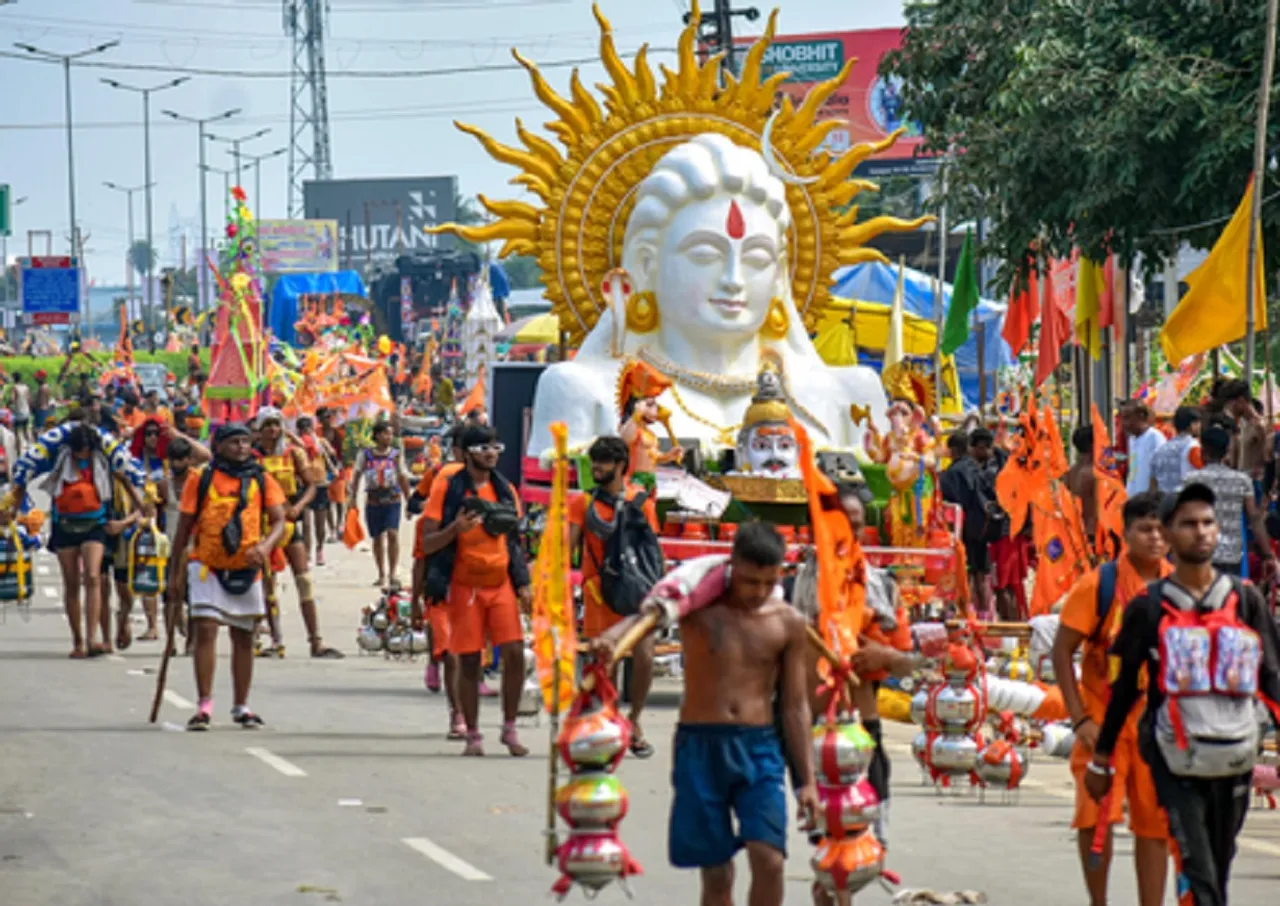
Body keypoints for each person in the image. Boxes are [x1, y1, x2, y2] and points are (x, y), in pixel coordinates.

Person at [591, 522, 818, 906]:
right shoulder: (697, 606)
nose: (757, 593)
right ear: (731, 567)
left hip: (759, 748)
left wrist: (807, 781)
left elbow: (795, 705)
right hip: (699, 744)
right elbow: (649, 617)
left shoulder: (788, 623)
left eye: (767, 582)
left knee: (770, 859)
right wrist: (612, 640)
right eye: (749, 581)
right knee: (716, 872)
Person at [1086, 483, 1280, 906]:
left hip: (1235, 753)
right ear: (1170, 536)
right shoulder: (1148, 608)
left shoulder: (1246, 601)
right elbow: (1123, 691)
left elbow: (1272, 678)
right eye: (1188, 524)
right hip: (1174, 758)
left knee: (1220, 857)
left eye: (1208, 523)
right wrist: (1102, 759)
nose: (1201, 532)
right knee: (1196, 861)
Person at [1051, 492, 1172, 906]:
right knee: (1093, 814)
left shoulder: (1180, 585)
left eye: (1161, 529)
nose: (1154, 538)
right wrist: (1080, 719)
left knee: (1154, 823)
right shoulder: (1098, 586)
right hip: (1103, 722)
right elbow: (1061, 650)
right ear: (1126, 533)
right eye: (1145, 529)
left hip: (1157, 727)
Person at [420, 424, 530, 757]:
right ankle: (473, 733)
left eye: (495, 446)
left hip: (500, 586)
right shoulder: (448, 490)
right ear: (466, 453)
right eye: (483, 447)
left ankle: (509, 728)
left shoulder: (505, 490)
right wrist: (456, 528)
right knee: (469, 661)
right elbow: (427, 542)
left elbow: (513, 542)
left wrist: (523, 583)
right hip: (464, 587)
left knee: (514, 654)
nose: (491, 453)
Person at [169, 423, 288, 730]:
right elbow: (183, 527)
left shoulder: (262, 479)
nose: (241, 448)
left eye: (246, 442)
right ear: (218, 445)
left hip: (247, 566)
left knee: (244, 636)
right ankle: (205, 704)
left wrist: (265, 546)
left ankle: (241, 705)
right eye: (234, 442)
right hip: (206, 564)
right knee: (206, 630)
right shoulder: (201, 478)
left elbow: (279, 521)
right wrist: (173, 574)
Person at [12, 422, 148, 657]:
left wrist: (137, 512)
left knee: (93, 577)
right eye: (78, 451)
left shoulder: (104, 461)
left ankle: (92, 637)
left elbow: (129, 482)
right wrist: (13, 510)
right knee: (72, 582)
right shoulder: (58, 458)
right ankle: (77, 640)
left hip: (95, 524)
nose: (82, 455)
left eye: (85, 450)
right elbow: (24, 477)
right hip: (65, 524)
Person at [567, 435, 662, 758]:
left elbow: (651, 553)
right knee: (606, 665)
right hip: (599, 595)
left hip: (637, 594)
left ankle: (634, 721)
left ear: (621, 466)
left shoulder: (643, 503)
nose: (596, 468)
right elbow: (568, 550)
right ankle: (606, 724)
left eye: (604, 462)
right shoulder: (582, 504)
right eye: (594, 461)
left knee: (645, 656)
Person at [255, 408, 342, 659]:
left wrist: (299, 507)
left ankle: (315, 641)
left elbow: (312, 485)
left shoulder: (293, 454)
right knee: (268, 585)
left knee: (303, 581)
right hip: (263, 526)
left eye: (276, 424)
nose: (273, 429)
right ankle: (276, 640)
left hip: (291, 523)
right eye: (268, 425)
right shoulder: (251, 457)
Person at [408, 425, 467, 735]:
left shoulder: (496, 497)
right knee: (452, 652)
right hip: (441, 589)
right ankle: (456, 714)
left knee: (468, 655)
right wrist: (415, 602)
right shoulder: (437, 477)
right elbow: (421, 561)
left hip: (476, 590)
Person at [1183, 425, 1274, 579]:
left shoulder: (1191, 481)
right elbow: (1254, 519)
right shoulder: (1242, 481)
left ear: (1203, 452)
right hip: (1232, 556)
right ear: (1227, 451)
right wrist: (1268, 555)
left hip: (1201, 553)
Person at [348, 419, 412, 589]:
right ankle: (381, 573)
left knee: (392, 534)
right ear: (376, 436)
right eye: (385, 433)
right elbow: (357, 475)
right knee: (377, 537)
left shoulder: (396, 455)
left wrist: (409, 500)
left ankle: (392, 574)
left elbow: (402, 476)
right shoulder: (365, 454)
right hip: (373, 501)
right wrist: (352, 497)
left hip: (393, 500)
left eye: (390, 434)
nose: (389, 437)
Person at [295, 415, 337, 567]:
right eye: (303, 429)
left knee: (320, 523)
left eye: (308, 428)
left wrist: (327, 453)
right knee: (306, 523)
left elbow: (331, 454)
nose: (306, 432)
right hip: (304, 486)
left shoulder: (320, 442)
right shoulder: (297, 444)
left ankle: (319, 549)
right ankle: (307, 554)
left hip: (320, 483)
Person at [1150, 406, 1202, 494]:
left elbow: (1153, 481)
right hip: (1183, 500)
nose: (1200, 426)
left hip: (1162, 501)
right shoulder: (1192, 446)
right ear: (1192, 425)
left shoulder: (1161, 449)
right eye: (1198, 423)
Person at [1120, 402, 1165, 497]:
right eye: (1122, 418)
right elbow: (1133, 469)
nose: (1123, 423)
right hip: (1133, 497)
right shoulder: (1132, 439)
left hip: (1148, 499)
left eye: (1127, 418)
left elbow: (1159, 471)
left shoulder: (1154, 437)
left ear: (1140, 416)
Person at [1064, 426, 1097, 538]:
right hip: (1095, 531)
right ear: (1093, 445)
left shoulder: (1070, 472)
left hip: (1076, 530)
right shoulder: (1094, 473)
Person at [8, 372, 31, 451]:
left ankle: (18, 451)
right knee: (25, 430)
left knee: (17, 432)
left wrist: (8, 404)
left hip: (18, 413)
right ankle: (30, 446)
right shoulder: (26, 387)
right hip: (26, 412)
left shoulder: (15, 388)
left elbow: (12, 399)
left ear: (14, 378)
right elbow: (29, 399)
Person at [32, 370, 51, 435]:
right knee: (44, 431)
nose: (36, 379)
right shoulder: (47, 386)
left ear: (42, 378)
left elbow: (40, 402)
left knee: (36, 432)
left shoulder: (42, 388)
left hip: (40, 411)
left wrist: (33, 407)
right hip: (46, 411)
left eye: (37, 378)